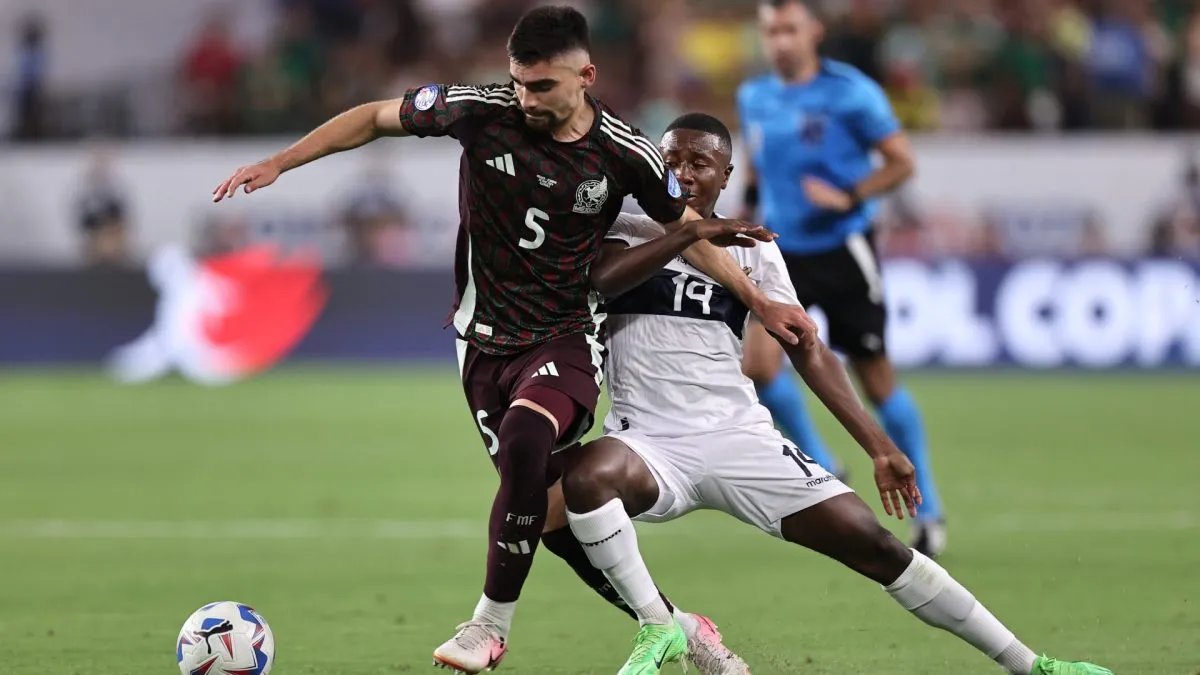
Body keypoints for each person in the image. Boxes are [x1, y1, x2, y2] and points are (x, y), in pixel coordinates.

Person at [212, 6, 812, 674]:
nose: (526, 98)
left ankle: (487, 626)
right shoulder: (479, 110)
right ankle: (675, 626)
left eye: (543, 86)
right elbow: (375, 116)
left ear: (585, 76)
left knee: (530, 440)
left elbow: (691, 228)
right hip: (480, 345)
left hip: (563, 338)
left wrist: (757, 296)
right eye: (519, 82)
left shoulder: (625, 150)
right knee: (549, 522)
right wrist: (281, 161)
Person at [562, 112, 1114, 675]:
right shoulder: (623, 227)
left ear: (726, 176)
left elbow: (808, 349)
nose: (681, 173)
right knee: (584, 480)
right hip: (649, 444)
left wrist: (877, 446)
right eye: (670, 160)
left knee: (876, 545)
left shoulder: (754, 248)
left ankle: (1031, 665)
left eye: (699, 162)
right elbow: (604, 280)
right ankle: (662, 625)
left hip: (739, 438)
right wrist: (690, 231)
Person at [736, 0, 947, 555]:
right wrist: (742, 219)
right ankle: (824, 465)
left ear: (814, 32)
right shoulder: (754, 95)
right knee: (758, 367)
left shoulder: (851, 92)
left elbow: (901, 162)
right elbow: (757, 166)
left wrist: (850, 195)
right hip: (778, 252)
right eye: (770, 31)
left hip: (842, 249)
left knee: (876, 378)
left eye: (789, 29)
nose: (779, 41)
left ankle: (931, 510)